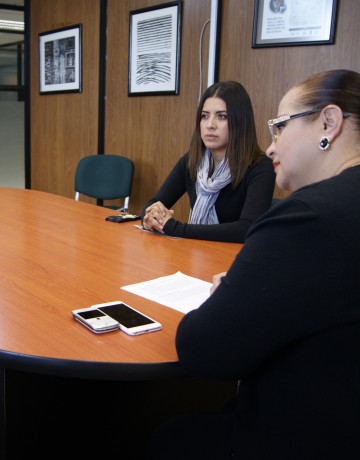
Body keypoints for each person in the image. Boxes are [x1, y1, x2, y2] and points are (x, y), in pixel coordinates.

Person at [150, 69, 360, 458]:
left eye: (279, 128)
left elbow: (202, 349)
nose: (273, 146)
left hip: (305, 434)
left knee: (168, 437)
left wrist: (229, 293)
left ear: (328, 123)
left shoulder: (307, 217)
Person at [141, 81, 275, 243]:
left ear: (240, 121)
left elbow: (246, 229)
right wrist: (151, 217)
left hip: (235, 260)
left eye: (222, 116)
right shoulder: (193, 160)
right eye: (204, 116)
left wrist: (174, 228)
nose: (210, 125)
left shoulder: (261, 167)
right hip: (196, 253)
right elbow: (154, 203)